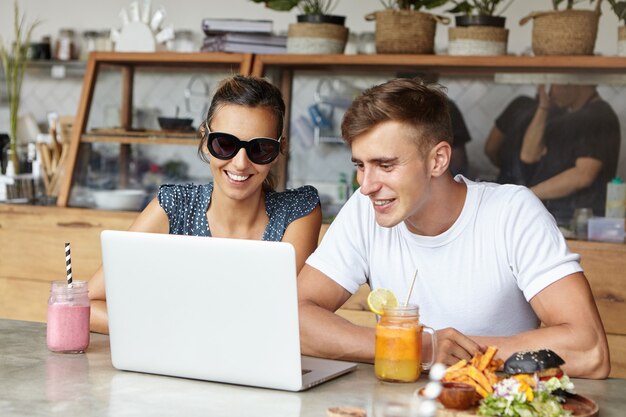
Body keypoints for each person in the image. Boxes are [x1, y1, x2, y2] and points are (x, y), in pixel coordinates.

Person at [296, 78, 610, 379]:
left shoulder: (512, 212)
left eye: (386, 165)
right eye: (360, 166)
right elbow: (292, 318)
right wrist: (417, 347)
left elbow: (589, 348)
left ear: (438, 160)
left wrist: (458, 353)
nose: (366, 186)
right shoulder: (365, 210)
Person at [89, 75, 322, 334]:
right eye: (225, 144)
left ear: (280, 149)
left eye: (260, 149)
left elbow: (282, 318)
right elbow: (86, 304)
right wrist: (169, 331)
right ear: (205, 140)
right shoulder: (174, 206)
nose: (241, 163)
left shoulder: (298, 212)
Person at [520, 84, 621, 227]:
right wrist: (543, 107)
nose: (550, 93)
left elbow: (583, 175)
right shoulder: (562, 115)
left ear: (572, 83)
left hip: (579, 222)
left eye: (553, 85)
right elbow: (528, 155)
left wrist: (528, 195)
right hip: (554, 219)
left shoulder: (599, 115)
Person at [484, 95, 565, 185]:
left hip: (507, 184)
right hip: (537, 189)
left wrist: (507, 168)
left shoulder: (520, 104)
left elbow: (490, 148)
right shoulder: (564, 116)